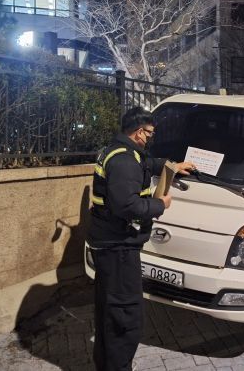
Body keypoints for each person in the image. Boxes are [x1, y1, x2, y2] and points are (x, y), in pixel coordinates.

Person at [89, 106, 194, 370]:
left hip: (112, 245)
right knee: (125, 316)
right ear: (138, 132)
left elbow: (146, 163)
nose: (150, 138)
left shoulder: (119, 150)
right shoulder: (124, 161)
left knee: (109, 311)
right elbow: (127, 206)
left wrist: (173, 166)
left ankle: (107, 365)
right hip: (118, 249)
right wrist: (160, 204)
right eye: (149, 133)